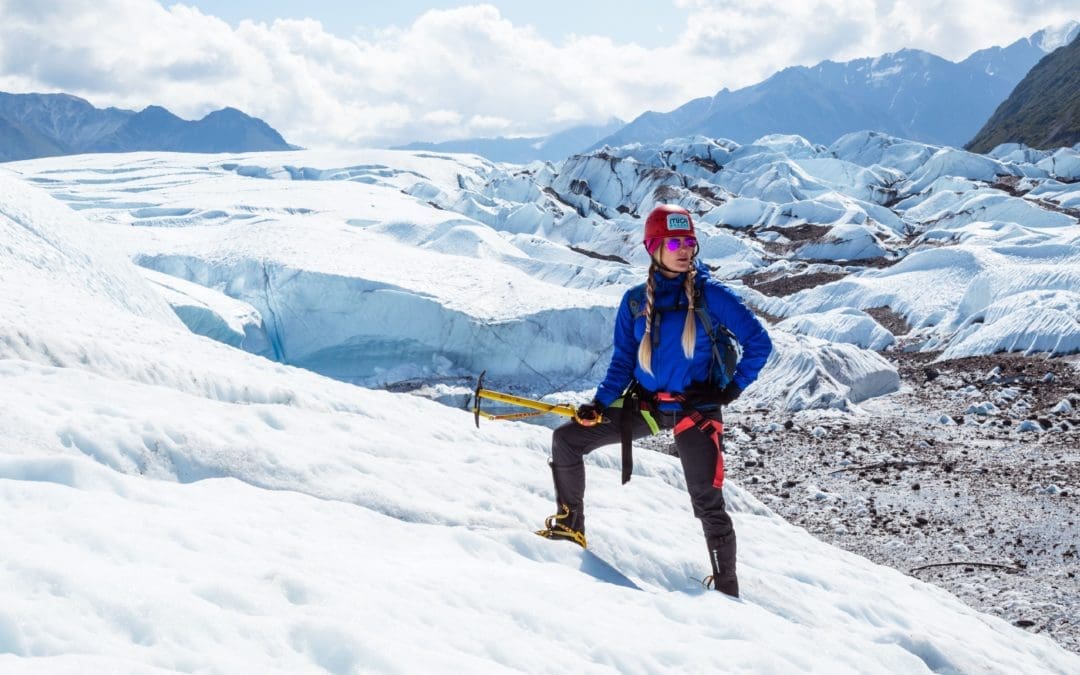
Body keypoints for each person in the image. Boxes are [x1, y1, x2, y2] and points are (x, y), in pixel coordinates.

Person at [537, 203, 773, 597]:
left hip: (694, 412)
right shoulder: (634, 302)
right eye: (674, 242)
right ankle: (570, 526)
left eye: (689, 242)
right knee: (567, 440)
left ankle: (728, 590)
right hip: (646, 408)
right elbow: (624, 361)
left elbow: (759, 342)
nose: (684, 250)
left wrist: (728, 391)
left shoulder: (711, 296)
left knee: (707, 503)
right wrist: (599, 402)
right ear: (653, 247)